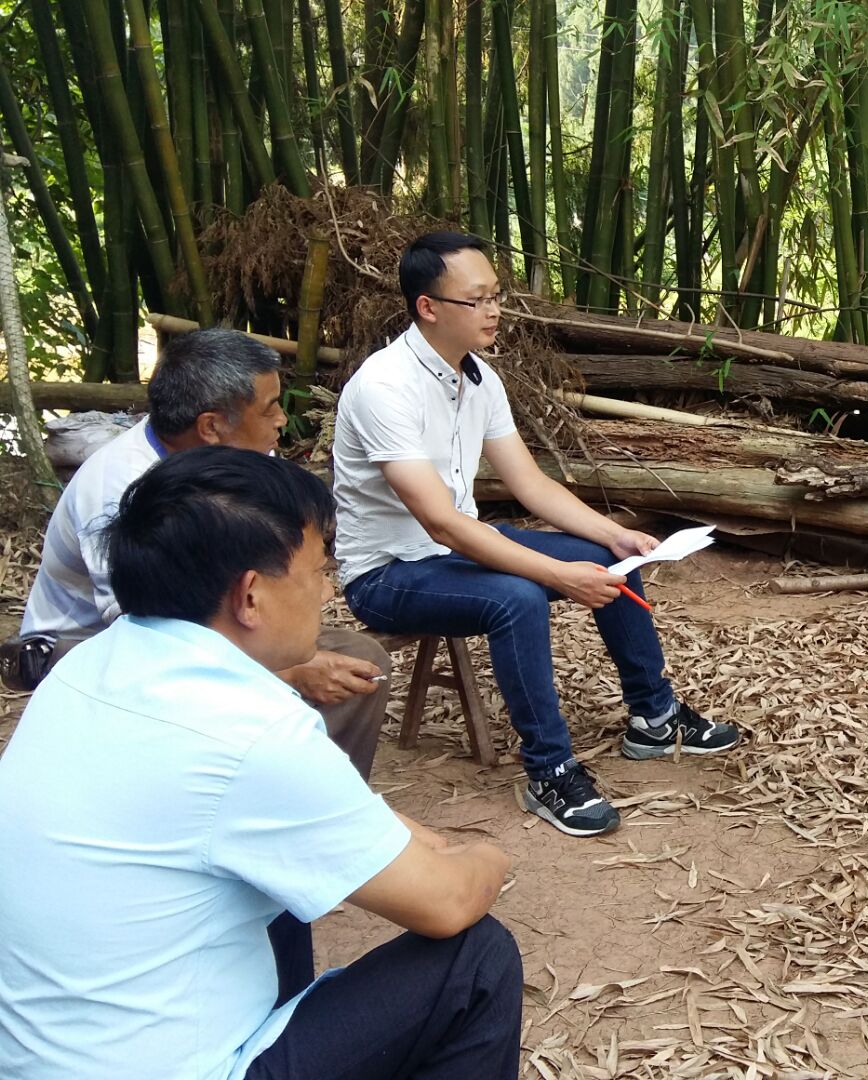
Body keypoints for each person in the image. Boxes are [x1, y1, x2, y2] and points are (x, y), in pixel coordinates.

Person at [0, 447, 521, 1079]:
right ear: (250, 595)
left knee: (273, 891)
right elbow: (446, 902)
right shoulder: (250, 731)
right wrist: (489, 855)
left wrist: (400, 832)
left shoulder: (92, 663)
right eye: (318, 570)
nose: (327, 589)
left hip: (46, 1058)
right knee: (476, 961)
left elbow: (265, 807)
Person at [333, 231, 737, 839]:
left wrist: (615, 535)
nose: (494, 310)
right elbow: (440, 521)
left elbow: (530, 483)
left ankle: (654, 718)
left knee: (606, 557)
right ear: (428, 307)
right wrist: (555, 576)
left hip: (457, 550)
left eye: (497, 296)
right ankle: (549, 771)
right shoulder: (383, 387)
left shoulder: (479, 379)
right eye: (477, 299)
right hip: (389, 573)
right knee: (517, 597)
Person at [6, 329, 389, 779]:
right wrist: (285, 673)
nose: (282, 420)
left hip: (203, 625)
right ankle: (257, 793)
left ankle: (316, 795)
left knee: (357, 662)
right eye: (269, 407)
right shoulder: (120, 488)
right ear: (211, 426)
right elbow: (143, 632)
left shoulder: (230, 463)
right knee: (304, 671)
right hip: (89, 649)